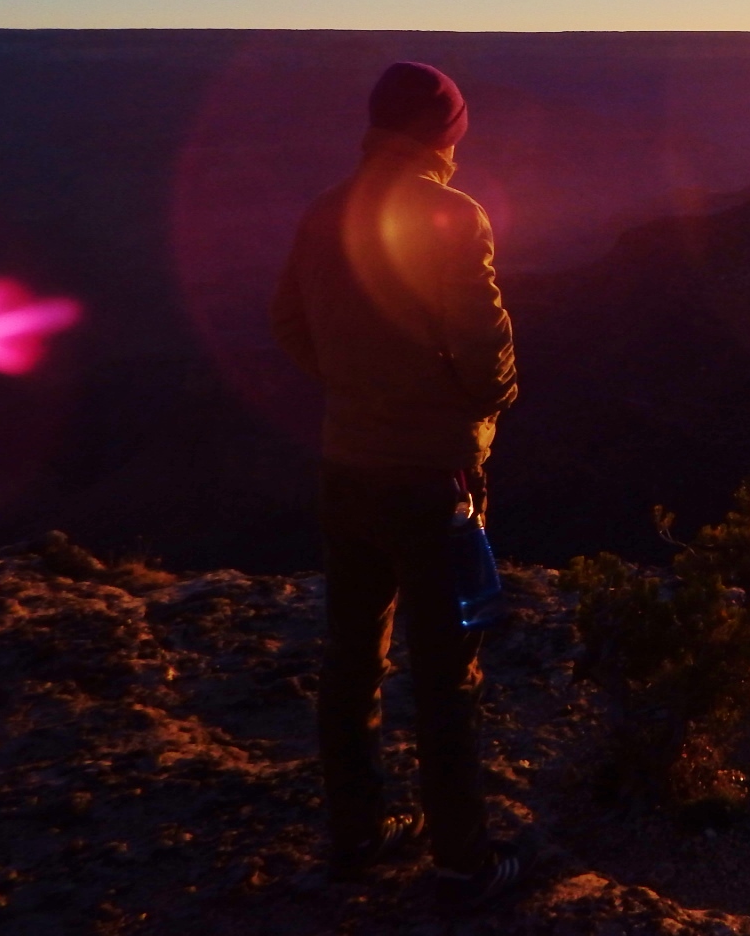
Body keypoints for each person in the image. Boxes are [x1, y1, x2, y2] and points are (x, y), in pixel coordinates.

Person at [271, 61, 532, 914]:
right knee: (446, 675)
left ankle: (354, 836)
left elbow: (289, 325)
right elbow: (481, 338)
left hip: (346, 468)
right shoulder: (453, 214)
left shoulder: (321, 213)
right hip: (431, 478)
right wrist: (483, 404)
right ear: (448, 131)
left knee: (352, 659)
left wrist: (353, 388)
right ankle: (463, 862)